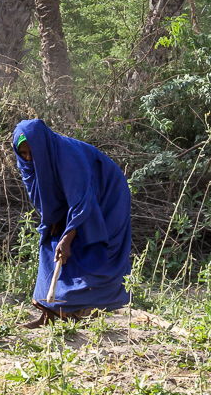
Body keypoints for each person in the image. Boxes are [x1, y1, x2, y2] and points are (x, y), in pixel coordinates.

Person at [12, 119, 133, 327]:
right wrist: (55, 220)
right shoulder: (29, 163)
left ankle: (91, 307)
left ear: (43, 147)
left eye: (32, 152)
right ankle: (48, 312)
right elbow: (41, 196)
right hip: (75, 197)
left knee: (96, 244)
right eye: (23, 153)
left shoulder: (68, 156)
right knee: (50, 238)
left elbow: (83, 198)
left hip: (107, 192)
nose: (28, 158)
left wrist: (68, 237)